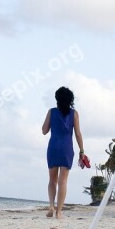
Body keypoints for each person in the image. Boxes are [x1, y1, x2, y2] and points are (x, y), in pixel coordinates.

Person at [42, 87, 84, 219]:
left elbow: (44, 131)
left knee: (52, 180)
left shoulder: (52, 112)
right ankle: (59, 212)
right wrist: (82, 150)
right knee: (63, 181)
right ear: (70, 99)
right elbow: (77, 134)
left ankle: (51, 206)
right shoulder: (74, 114)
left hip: (53, 147)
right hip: (66, 148)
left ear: (57, 99)